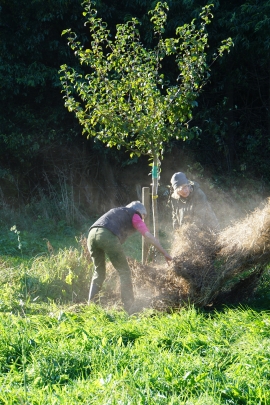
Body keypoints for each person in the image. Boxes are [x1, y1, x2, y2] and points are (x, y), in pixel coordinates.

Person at [87, 201, 173, 313]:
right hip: (106, 235)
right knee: (125, 271)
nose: (142, 219)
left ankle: (90, 305)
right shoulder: (135, 215)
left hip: (91, 234)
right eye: (144, 216)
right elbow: (148, 236)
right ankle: (129, 306)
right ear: (139, 211)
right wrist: (164, 252)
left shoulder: (118, 211)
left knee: (99, 272)